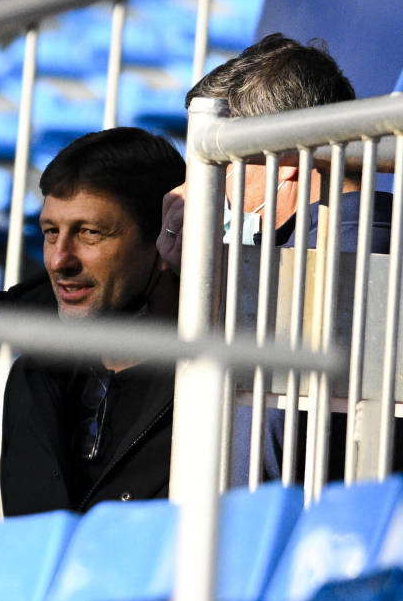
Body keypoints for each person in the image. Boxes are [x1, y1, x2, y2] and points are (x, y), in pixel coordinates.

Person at [158, 33, 393, 483]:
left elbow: (257, 444)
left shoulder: (328, 261)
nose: (206, 187)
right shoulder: (313, 248)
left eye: (219, 164)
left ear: (284, 159)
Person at [0, 128, 183, 515]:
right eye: (51, 233)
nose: (58, 260)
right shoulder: (31, 379)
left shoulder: (226, 381)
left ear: (166, 239)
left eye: (89, 233)